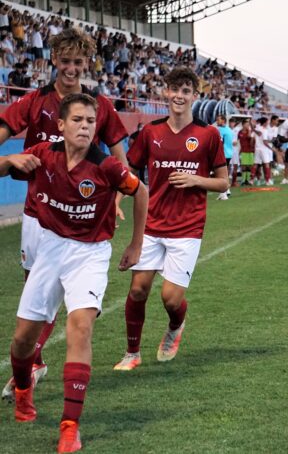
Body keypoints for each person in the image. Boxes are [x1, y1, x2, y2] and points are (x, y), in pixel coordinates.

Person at [0, 93, 148, 453]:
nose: (85, 126)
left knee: (79, 326)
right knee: (22, 341)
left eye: (90, 121)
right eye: (77, 120)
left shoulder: (107, 167)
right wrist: (8, 159)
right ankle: (23, 390)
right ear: (61, 126)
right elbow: (6, 167)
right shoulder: (42, 154)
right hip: (50, 249)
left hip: (90, 253)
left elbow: (140, 191)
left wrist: (136, 245)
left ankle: (70, 426)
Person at [0, 27, 129, 403]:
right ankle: (34, 362)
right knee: (34, 290)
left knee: (61, 297)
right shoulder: (35, 100)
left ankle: (34, 361)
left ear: (86, 64)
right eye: (66, 61)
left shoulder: (98, 105)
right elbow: (5, 129)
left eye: (78, 62)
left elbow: (119, 150)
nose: (71, 69)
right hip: (35, 213)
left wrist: (119, 195)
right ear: (53, 60)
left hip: (79, 219)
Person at [113, 67, 228, 371]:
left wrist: (196, 180)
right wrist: (116, 201)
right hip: (151, 223)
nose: (179, 96)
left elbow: (223, 182)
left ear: (194, 95)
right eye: (175, 89)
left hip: (187, 227)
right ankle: (132, 353)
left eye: (186, 91)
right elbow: (131, 173)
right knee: (138, 290)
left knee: (170, 299)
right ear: (166, 92)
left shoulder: (208, 134)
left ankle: (175, 326)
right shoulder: (151, 133)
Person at [216, 114, 233, 200]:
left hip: (223, 154)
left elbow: (220, 142)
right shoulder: (229, 129)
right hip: (229, 154)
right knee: (224, 173)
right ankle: (227, 190)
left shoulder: (220, 130)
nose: (216, 121)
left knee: (220, 174)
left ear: (223, 120)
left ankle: (223, 194)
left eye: (218, 120)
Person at [238, 119, 255, 186]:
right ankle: (243, 180)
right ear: (243, 125)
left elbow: (250, 140)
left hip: (250, 151)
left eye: (248, 124)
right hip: (243, 151)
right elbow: (238, 141)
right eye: (246, 124)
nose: (248, 126)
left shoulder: (249, 132)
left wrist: (250, 132)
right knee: (243, 166)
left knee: (249, 166)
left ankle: (247, 180)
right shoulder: (240, 132)